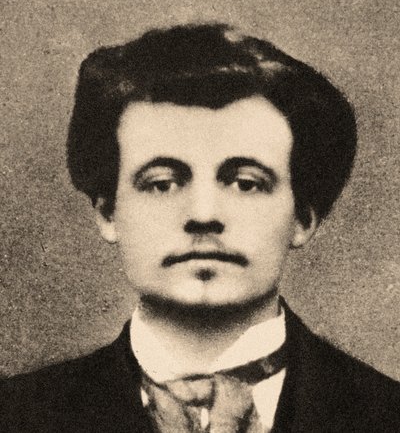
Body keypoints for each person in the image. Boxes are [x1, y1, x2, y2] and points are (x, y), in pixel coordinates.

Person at [1, 23, 399, 432]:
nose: (204, 214)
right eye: (162, 184)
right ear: (108, 212)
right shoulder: (17, 415)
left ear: (302, 217)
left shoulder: (385, 414)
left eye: (246, 183)